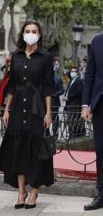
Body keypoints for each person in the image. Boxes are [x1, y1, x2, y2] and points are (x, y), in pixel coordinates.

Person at [0, 20, 55, 209]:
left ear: (39, 34)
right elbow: (11, 85)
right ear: (22, 34)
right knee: (18, 150)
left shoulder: (46, 57)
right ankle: (21, 192)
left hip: (36, 108)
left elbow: (47, 86)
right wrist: (6, 109)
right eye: (27, 30)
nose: (30, 33)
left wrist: (48, 113)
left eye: (34, 31)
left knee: (36, 150)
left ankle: (34, 192)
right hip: (17, 108)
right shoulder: (16, 55)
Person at [81, 34, 103, 210]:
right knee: (101, 151)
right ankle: (101, 194)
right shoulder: (97, 41)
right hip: (100, 105)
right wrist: (85, 105)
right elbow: (90, 75)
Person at [62, 67, 83, 138]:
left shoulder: (79, 81)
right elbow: (68, 91)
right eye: (71, 71)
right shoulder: (71, 80)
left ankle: (74, 136)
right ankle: (71, 135)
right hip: (69, 104)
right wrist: (65, 96)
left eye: (74, 71)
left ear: (77, 73)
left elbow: (78, 92)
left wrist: (68, 98)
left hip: (74, 104)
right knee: (69, 121)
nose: (72, 73)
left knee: (74, 121)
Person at [51, 59, 64, 137]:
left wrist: (55, 94)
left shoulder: (58, 79)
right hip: (45, 103)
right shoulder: (44, 79)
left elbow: (61, 90)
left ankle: (55, 135)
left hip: (55, 103)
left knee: (55, 120)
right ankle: (46, 134)